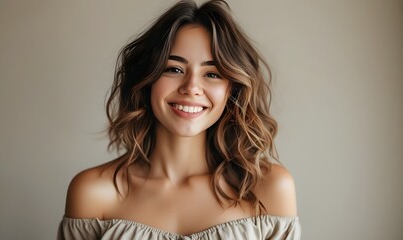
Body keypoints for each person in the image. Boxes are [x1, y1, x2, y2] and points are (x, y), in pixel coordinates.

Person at [58, 0, 300, 239]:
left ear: (232, 90)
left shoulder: (270, 189)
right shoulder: (93, 193)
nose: (191, 87)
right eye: (174, 69)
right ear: (147, 79)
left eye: (212, 74)